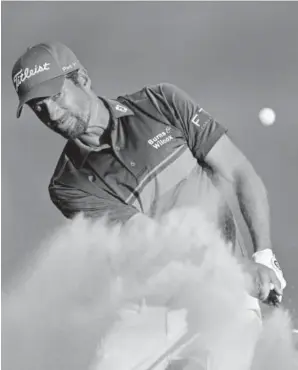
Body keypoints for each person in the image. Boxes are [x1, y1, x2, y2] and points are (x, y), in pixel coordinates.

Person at [12, 41, 287, 369]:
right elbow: (159, 241)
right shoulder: (68, 184)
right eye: (38, 107)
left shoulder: (161, 103)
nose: (51, 114)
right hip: (149, 310)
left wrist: (263, 255)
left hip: (226, 295)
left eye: (55, 97)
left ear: (82, 79)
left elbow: (239, 172)